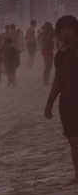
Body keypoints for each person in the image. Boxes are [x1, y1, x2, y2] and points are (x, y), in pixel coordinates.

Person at [42, 15, 78, 183]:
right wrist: (50, 102)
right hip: (67, 101)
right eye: (62, 29)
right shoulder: (59, 54)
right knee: (72, 139)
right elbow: (57, 80)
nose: (66, 32)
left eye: (69, 28)